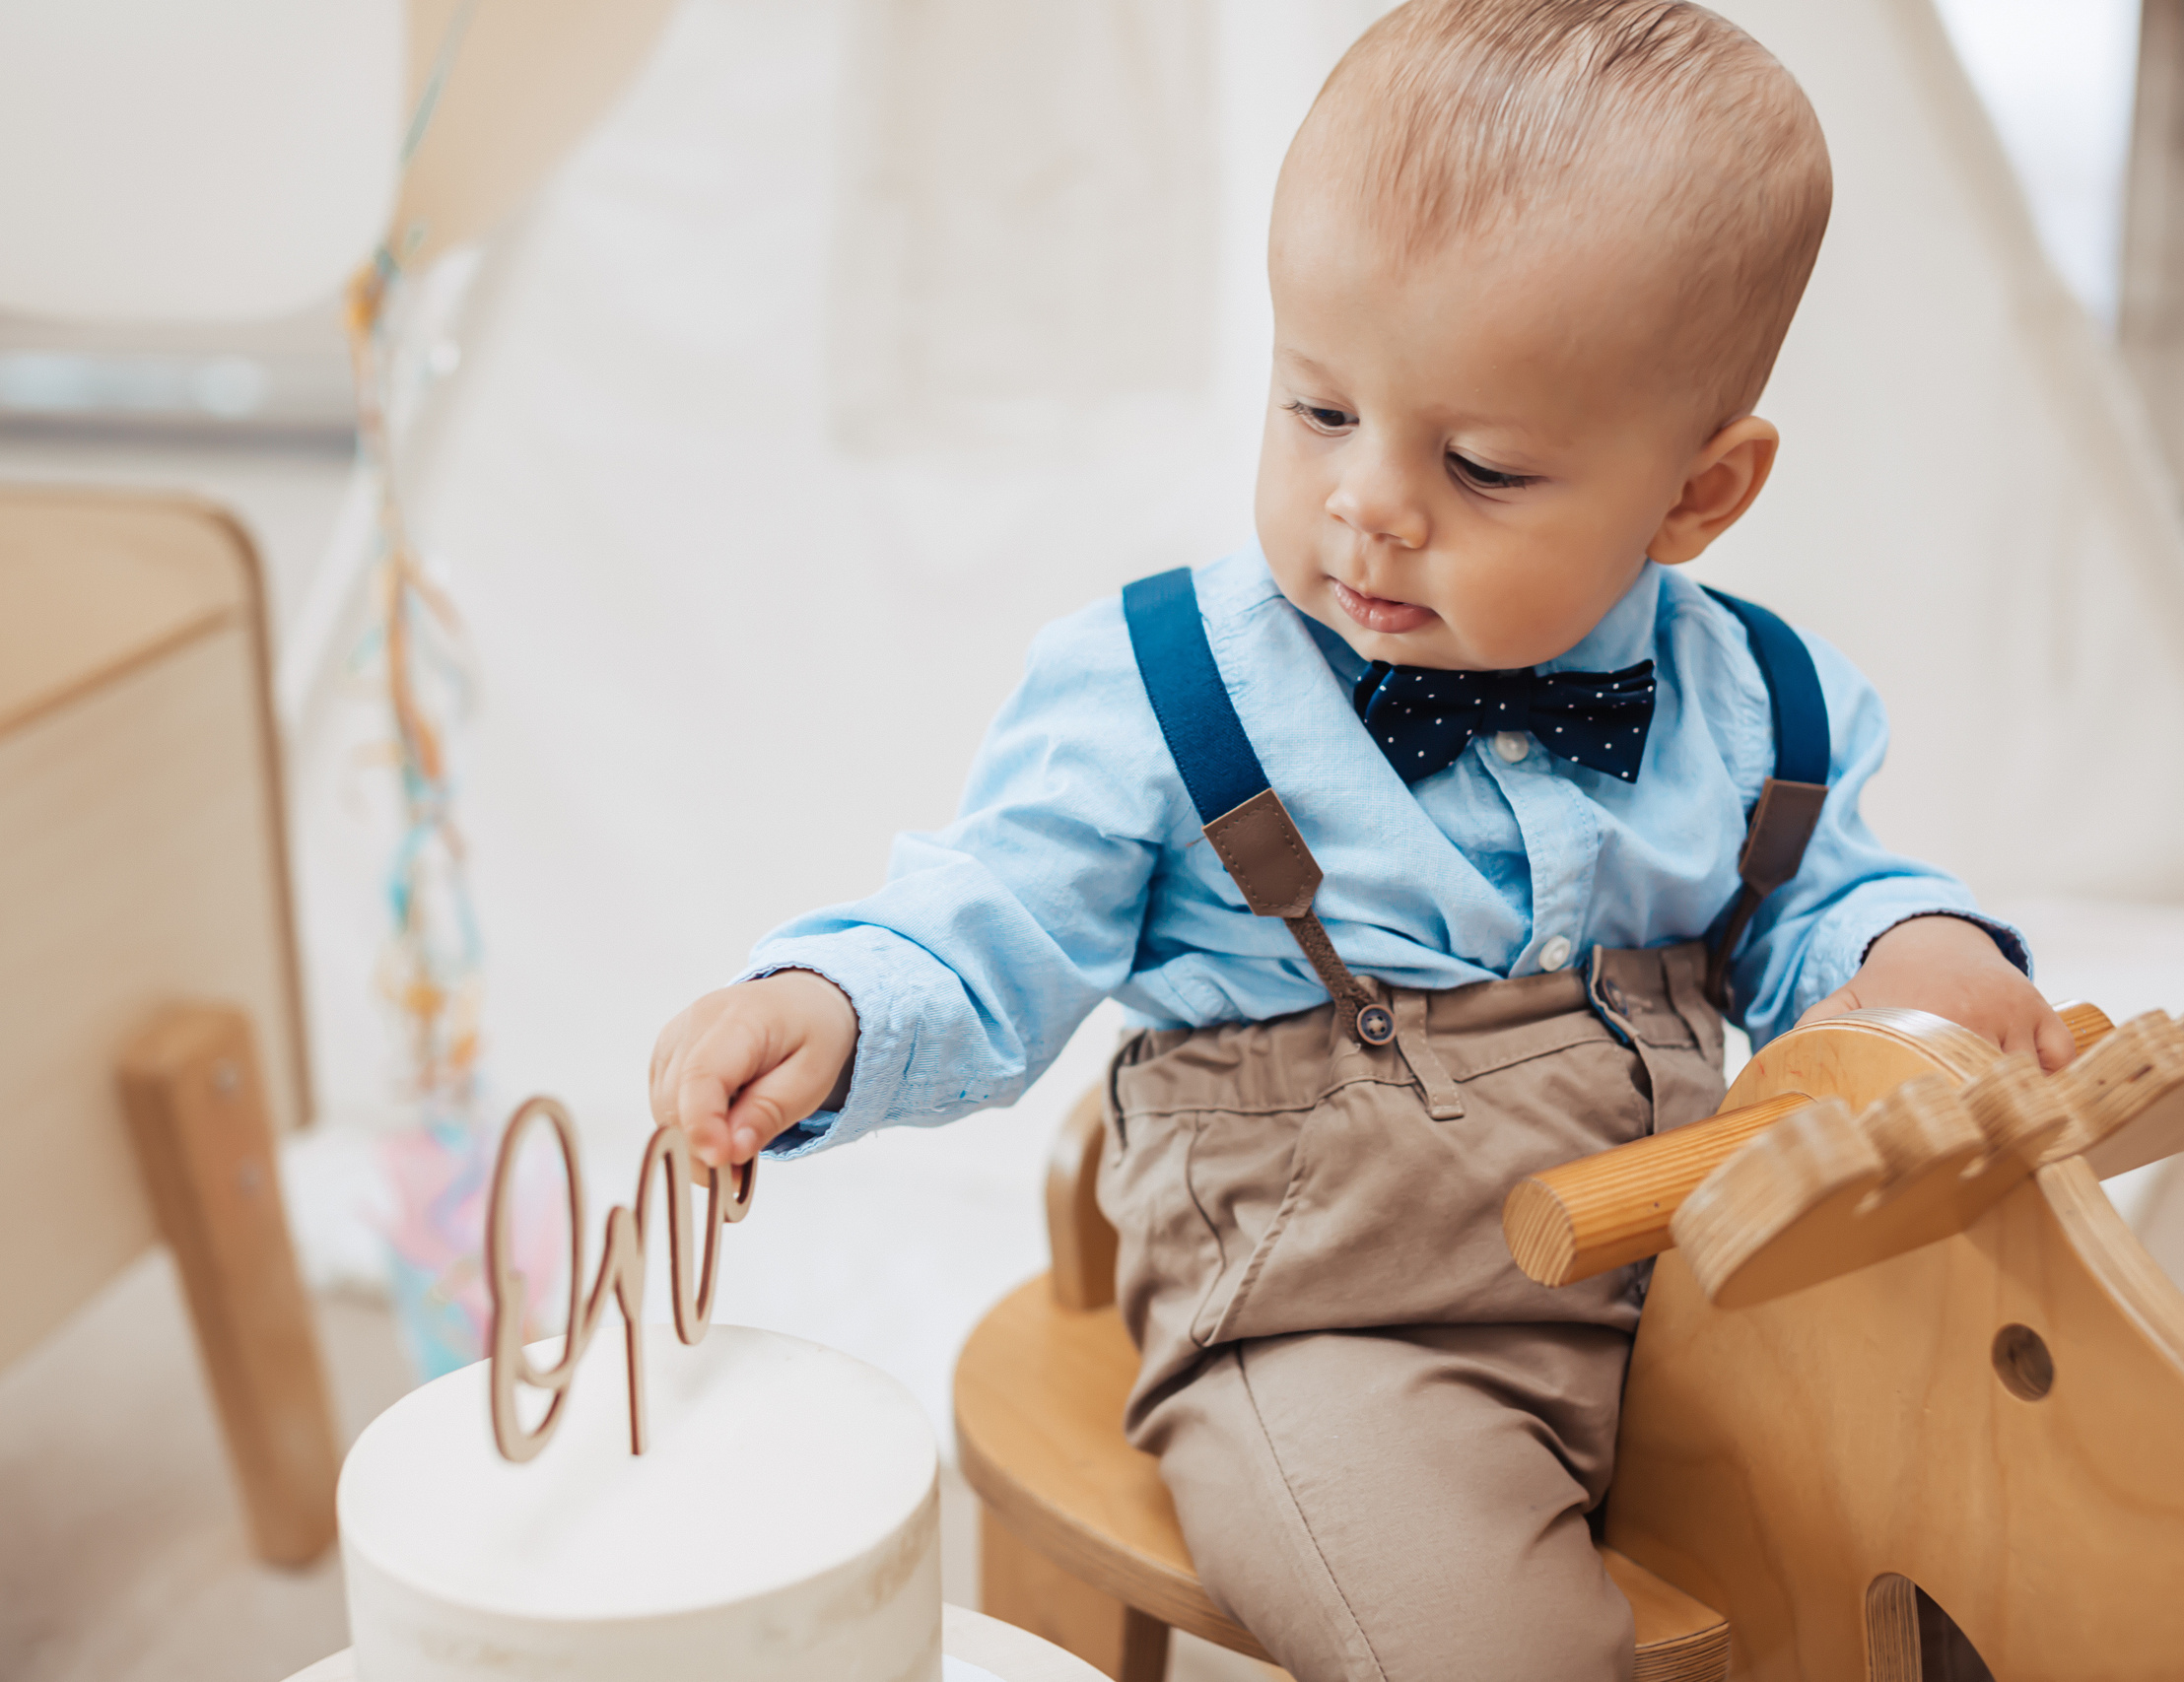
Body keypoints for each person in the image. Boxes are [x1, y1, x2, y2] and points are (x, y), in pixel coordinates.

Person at [650, 3, 2072, 1676]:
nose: (1368, 504)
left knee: (1983, 1516)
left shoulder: (1749, 703)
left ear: (1699, 495)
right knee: (1493, 1652)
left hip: (1688, 1280)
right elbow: (992, 918)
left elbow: (1816, 902)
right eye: (1320, 410)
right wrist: (831, 1005)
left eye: (1479, 466)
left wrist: (1913, 948)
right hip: (1335, 1328)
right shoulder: (1166, 693)